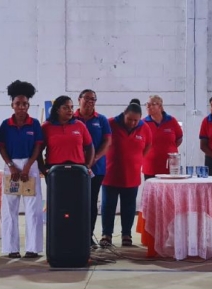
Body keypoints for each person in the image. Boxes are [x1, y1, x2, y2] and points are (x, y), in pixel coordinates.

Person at [0, 80, 44, 258]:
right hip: (11, 167)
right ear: (12, 105)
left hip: (30, 167)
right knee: (10, 208)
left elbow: (38, 147)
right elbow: (1, 146)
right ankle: (12, 248)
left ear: (28, 105)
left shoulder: (34, 124)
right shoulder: (5, 124)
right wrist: (11, 166)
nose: (21, 107)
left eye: (24, 104)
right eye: (18, 103)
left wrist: (28, 167)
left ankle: (33, 248)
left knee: (33, 209)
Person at [100, 99, 152, 247]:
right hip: (110, 174)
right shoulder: (110, 123)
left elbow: (148, 145)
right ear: (124, 114)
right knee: (108, 206)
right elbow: (102, 142)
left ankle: (126, 235)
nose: (133, 123)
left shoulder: (144, 127)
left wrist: (137, 160)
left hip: (132, 176)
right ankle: (106, 234)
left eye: (136, 120)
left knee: (129, 207)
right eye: (130, 119)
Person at [74, 89, 111, 247]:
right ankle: (74, 236)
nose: (90, 102)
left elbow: (107, 142)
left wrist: (94, 158)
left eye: (93, 99)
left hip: (96, 168)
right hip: (75, 168)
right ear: (79, 99)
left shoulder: (101, 120)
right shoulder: (71, 118)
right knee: (75, 203)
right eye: (87, 98)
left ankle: (88, 236)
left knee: (91, 202)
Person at [42, 96, 94, 173]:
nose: (70, 110)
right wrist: (43, 169)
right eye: (65, 108)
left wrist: (88, 165)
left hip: (78, 169)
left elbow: (90, 147)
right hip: (54, 169)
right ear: (57, 110)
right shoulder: (46, 127)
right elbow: (38, 150)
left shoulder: (80, 125)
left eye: (71, 107)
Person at [142, 95, 183, 180]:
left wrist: (169, 148)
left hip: (170, 167)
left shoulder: (171, 120)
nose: (148, 106)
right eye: (147, 104)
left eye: (152, 104)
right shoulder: (143, 123)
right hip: (151, 166)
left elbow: (179, 138)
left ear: (160, 106)